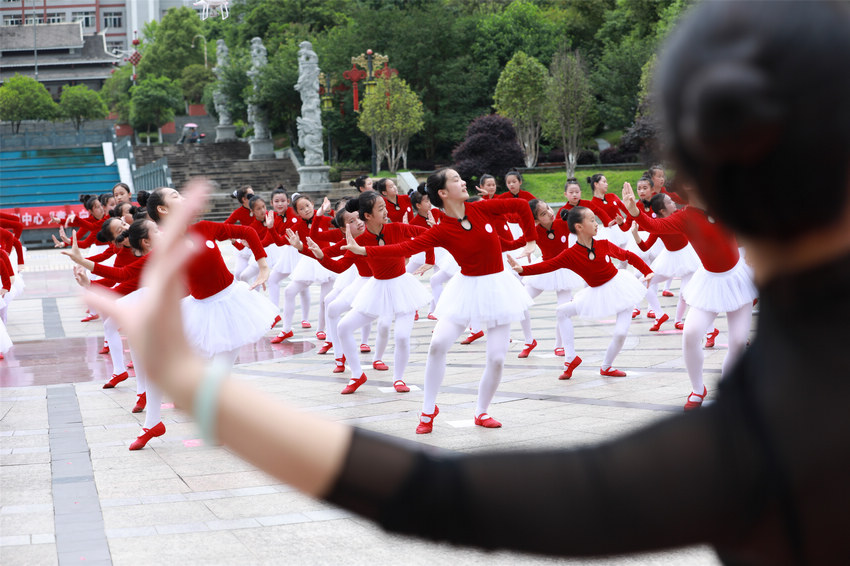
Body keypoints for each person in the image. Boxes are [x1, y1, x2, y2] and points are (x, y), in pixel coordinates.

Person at [85, 2, 850, 561]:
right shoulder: (767, 424)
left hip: (506, 291)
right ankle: (421, 390)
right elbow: (427, 240)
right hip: (456, 286)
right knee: (436, 335)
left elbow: (447, 501)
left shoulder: (753, 442)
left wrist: (196, 384)